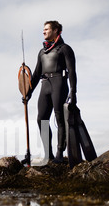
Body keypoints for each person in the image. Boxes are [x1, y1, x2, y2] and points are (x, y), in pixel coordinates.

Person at [24, 20, 77, 164]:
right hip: (44, 85)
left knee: (60, 120)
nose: (43, 31)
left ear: (56, 31)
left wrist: (73, 92)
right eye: (43, 29)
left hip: (59, 83)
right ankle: (49, 154)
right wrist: (28, 92)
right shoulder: (42, 52)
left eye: (47, 29)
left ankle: (60, 154)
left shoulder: (65, 49)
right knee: (41, 119)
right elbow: (35, 75)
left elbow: (72, 72)